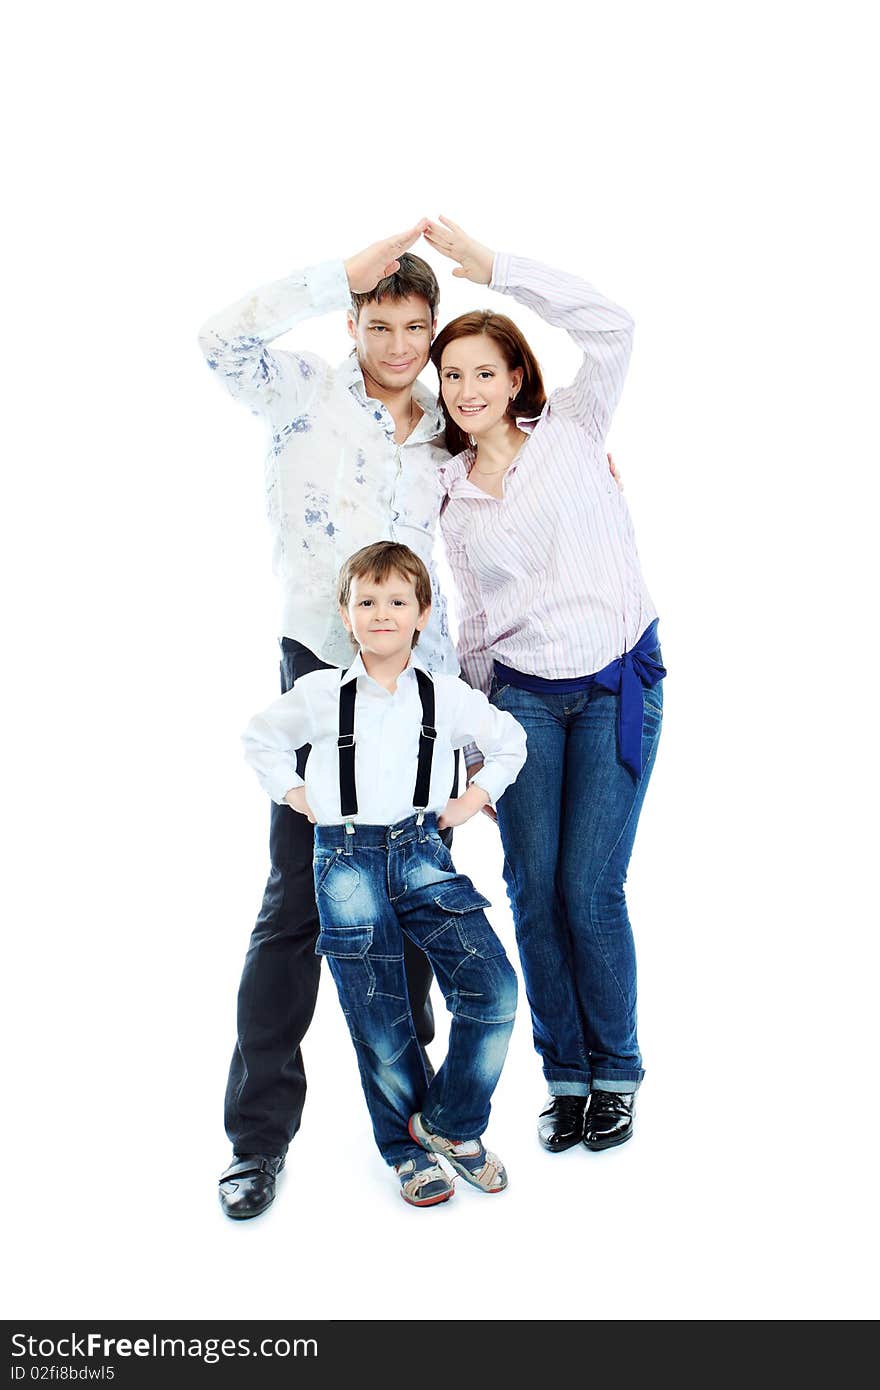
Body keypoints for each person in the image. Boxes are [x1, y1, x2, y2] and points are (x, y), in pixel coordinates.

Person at [199, 223, 461, 1218]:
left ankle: (414, 1121)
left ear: (433, 331)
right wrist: (327, 276)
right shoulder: (301, 390)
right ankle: (256, 1140)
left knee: (412, 905)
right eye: (378, 322)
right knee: (297, 909)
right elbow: (217, 339)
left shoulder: (445, 425)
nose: (397, 344)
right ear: (353, 321)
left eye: (413, 326)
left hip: (419, 691)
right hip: (318, 670)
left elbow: (519, 462)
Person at [426, 216, 666, 1156]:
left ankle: (619, 1071)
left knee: (589, 889)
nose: (469, 388)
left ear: (517, 376)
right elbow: (474, 622)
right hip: (521, 699)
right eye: (454, 376)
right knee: (530, 887)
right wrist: (480, 736)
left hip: (614, 683)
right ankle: (565, 1076)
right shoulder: (451, 491)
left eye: (486, 371)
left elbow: (612, 326)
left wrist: (494, 268)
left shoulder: (574, 427)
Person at [241, 542, 525, 1206]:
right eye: (366, 602)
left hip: (422, 850)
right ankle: (404, 1150)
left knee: (494, 988)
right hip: (345, 860)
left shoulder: (446, 698)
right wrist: (294, 794)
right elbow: (260, 738)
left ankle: (451, 1125)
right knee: (378, 1014)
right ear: (346, 615)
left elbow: (510, 740)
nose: (381, 614)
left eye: (397, 601)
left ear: (422, 614)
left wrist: (474, 798)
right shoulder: (320, 693)